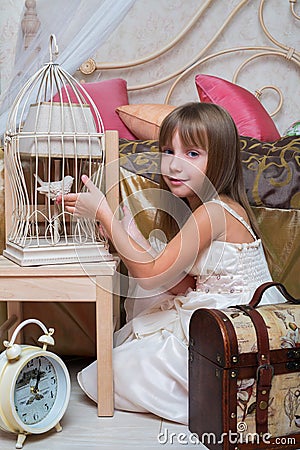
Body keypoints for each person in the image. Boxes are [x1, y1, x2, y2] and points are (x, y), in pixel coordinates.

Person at [59, 102, 283, 425]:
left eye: (192, 154)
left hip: (236, 328)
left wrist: (105, 215)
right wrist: (122, 232)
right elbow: (180, 282)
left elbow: (152, 276)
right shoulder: (206, 208)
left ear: (219, 158)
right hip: (217, 312)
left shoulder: (215, 211)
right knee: (128, 342)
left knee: (113, 371)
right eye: (168, 151)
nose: (174, 165)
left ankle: (212, 394)